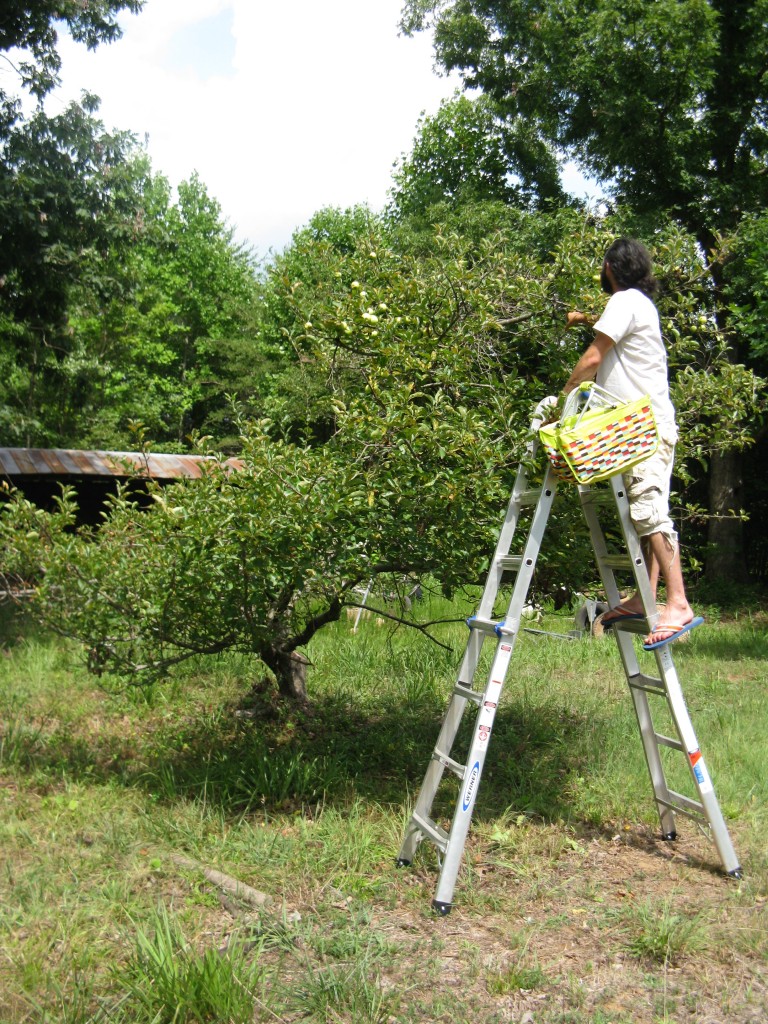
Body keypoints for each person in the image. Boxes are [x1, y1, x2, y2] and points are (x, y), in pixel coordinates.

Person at [561, 237, 701, 650]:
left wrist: (564, 400)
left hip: (644, 427)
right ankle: (645, 596)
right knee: (643, 514)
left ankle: (678, 602)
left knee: (648, 510)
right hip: (640, 426)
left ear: (609, 267)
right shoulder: (638, 304)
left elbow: (592, 359)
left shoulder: (623, 303)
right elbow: (616, 330)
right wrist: (587, 317)